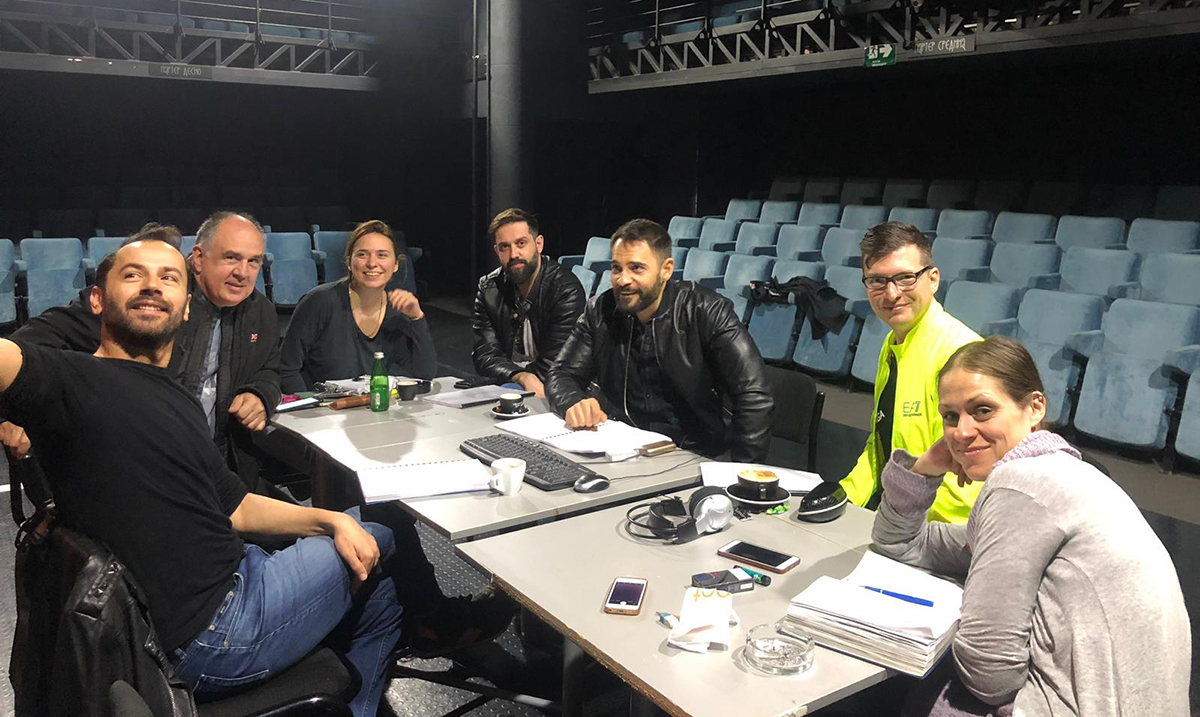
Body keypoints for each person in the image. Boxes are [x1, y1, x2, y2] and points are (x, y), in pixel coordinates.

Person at [0, 237, 404, 716]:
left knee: (375, 577)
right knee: (384, 532)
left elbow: (236, 507)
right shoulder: (69, 380)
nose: (152, 285)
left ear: (186, 307)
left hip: (238, 573)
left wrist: (332, 521)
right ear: (96, 300)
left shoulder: (177, 399)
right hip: (214, 633)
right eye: (133, 274)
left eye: (168, 277)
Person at [872, 336, 1190, 716]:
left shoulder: (1023, 483)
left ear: (1035, 407)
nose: (961, 432)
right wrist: (924, 468)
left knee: (910, 694)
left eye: (983, 410)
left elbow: (989, 676)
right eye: (951, 416)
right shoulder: (1063, 473)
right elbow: (901, 543)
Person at [0, 215, 280, 497]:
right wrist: (16, 412)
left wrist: (259, 394)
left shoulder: (261, 313)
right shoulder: (146, 305)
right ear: (198, 258)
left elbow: (269, 371)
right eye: (231, 258)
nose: (243, 272)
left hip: (218, 470)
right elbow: (30, 343)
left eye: (253, 261)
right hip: (132, 474)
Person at [546, 218, 773, 462]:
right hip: (621, 449)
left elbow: (754, 395)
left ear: (666, 269)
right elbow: (561, 373)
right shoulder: (601, 310)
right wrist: (574, 403)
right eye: (617, 268)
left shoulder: (706, 311)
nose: (622, 279)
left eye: (636, 268)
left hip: (695, 454)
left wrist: (741, 472)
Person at [841, 222, 981, 523]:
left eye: (905, 278)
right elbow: (882, 442)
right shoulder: (893, 343)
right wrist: (844, 497)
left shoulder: (963, 356)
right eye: (877, 281)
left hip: (938, 531)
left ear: (933, 279)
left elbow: (968, 481)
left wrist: (894, 525)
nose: (891, 294)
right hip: (897, 512)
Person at [281, 219, 436, 393]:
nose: (372, 263)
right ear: (349, 262)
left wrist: (417, 318)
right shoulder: (320, 301)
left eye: (382, 255)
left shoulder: (399, 310)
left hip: (380, 407)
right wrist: (309, 405)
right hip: (326, 408)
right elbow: (286, 369)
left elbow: (424, 375)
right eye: (362, 254)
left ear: (395, 265)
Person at [472, 208, 586, 397]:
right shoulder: (488, 288)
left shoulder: (565, 290)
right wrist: (521, 377)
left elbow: (556, 364)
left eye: (521, 243)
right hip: (512, 382)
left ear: (538, 244)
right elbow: (484, 354)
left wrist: (519, 380)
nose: (513, 254)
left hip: (561, 389)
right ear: (497, 251)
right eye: (504, 247)